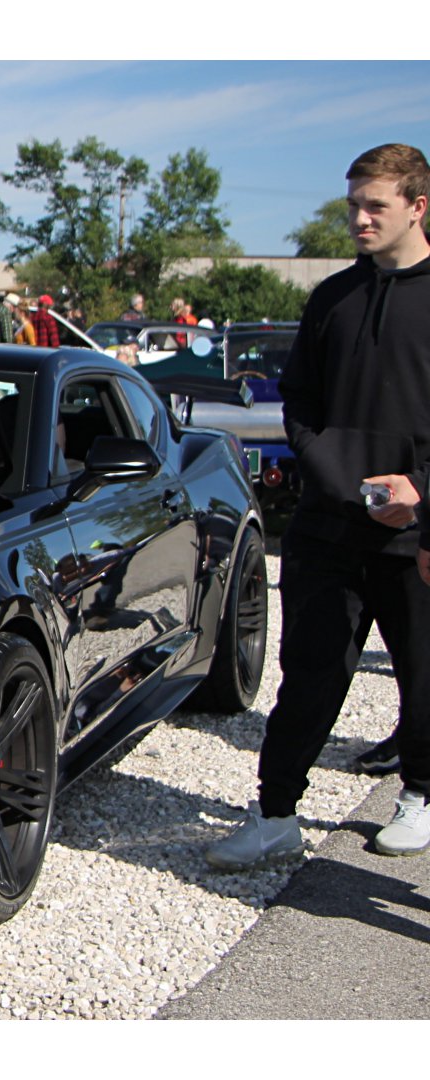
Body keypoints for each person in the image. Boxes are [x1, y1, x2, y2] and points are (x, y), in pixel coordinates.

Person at [206, 143, 430, 868]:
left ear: (417, 207)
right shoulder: (332, 296)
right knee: (307, 674)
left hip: (419, 533)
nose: (360, 220)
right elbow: (298, 402)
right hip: (330, 527)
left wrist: (421, 492)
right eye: (353, 207)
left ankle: (420, 795)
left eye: (376, 207)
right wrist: (335, 475)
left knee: (423, 672)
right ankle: (276, 814)